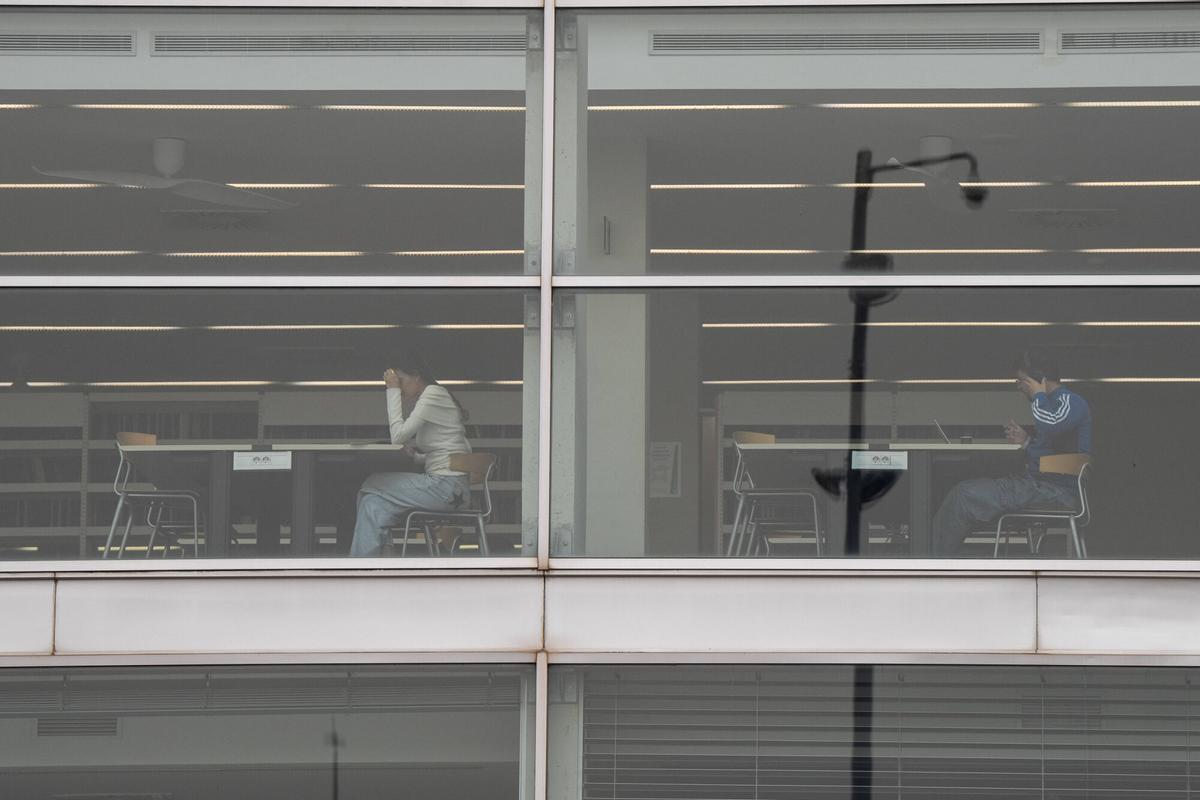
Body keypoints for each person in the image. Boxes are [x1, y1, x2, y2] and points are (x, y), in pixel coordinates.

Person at [931, 351, 1092, 556]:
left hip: (1057, 492)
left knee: (962, 496)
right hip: (1045, 487)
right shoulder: (1056, 405)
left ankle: (932, 567)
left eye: (1021, 381)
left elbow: (1052, 425)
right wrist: (1026, 442)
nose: (1018, 387)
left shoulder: (1071, 402)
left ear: (1037, 380)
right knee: (964, 495)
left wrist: (1038, 394)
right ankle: (943, 563)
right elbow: (1053, 454)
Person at [350, 353, 472, 557]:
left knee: (370, 483)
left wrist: (392, 391)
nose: (400, 385)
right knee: (372, 503)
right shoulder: (433, 396)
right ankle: (383, 562)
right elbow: (447, 450)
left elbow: (397, 437)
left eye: (402, 380)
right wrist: (417, 457)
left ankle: (362, 565)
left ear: (416, 376)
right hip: (447, 485)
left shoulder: (433, 393)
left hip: (446, 486)